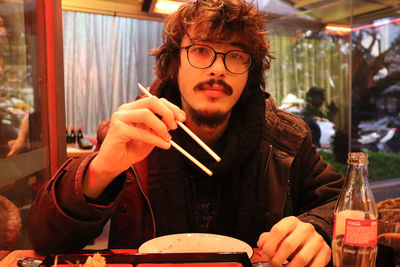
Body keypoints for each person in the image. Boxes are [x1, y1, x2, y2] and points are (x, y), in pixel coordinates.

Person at [29, 1, 344, 266]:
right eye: (201, 51)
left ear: (250, 74)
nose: (217, 69)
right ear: (174, 63)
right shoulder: (133, 133)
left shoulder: (286, 140)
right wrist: (99, 171)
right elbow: (45, 241)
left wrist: (319, 228)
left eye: (235, 55)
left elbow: (345, 202)